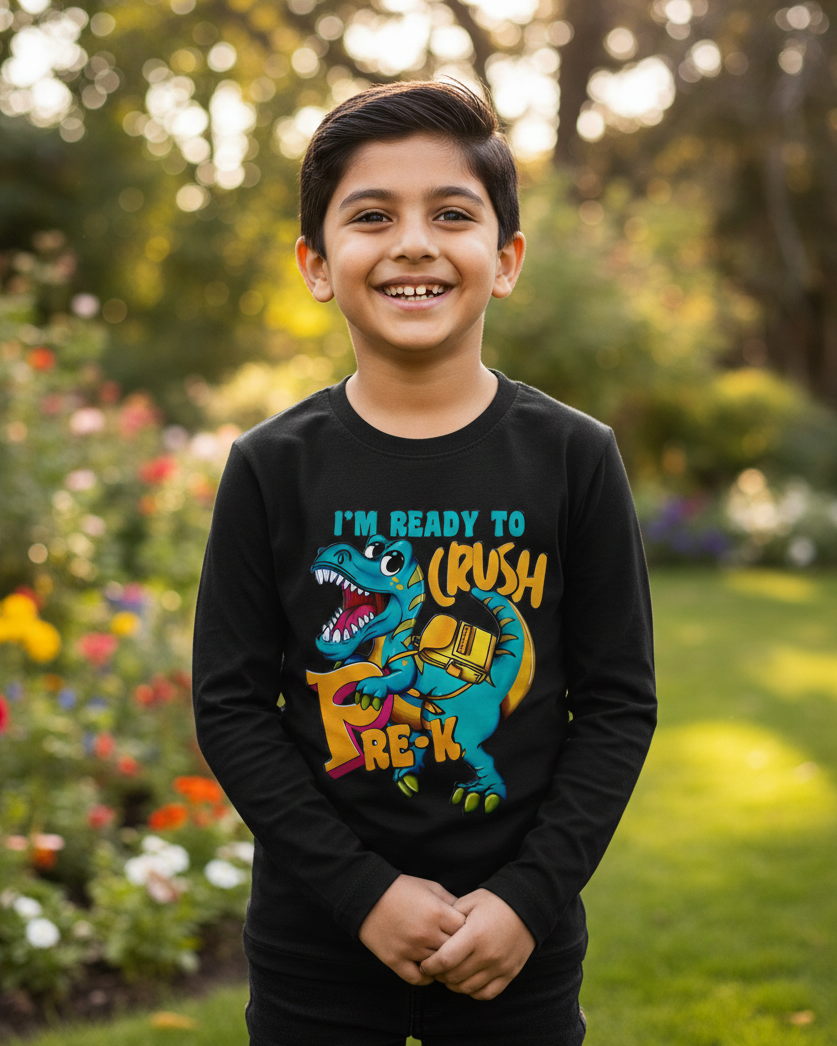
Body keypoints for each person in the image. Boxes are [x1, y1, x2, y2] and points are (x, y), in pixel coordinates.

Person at [191, 80, 656, 1046]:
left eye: (452, 213)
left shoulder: (574, 458)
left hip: (515, 948)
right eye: (371, 216)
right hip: (316, 946)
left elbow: (616, 705)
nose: (413, 242)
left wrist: (528, 899)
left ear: (506, 257)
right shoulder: (270, 467)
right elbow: (232, 707)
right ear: (318, 263)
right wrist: (363, 893)